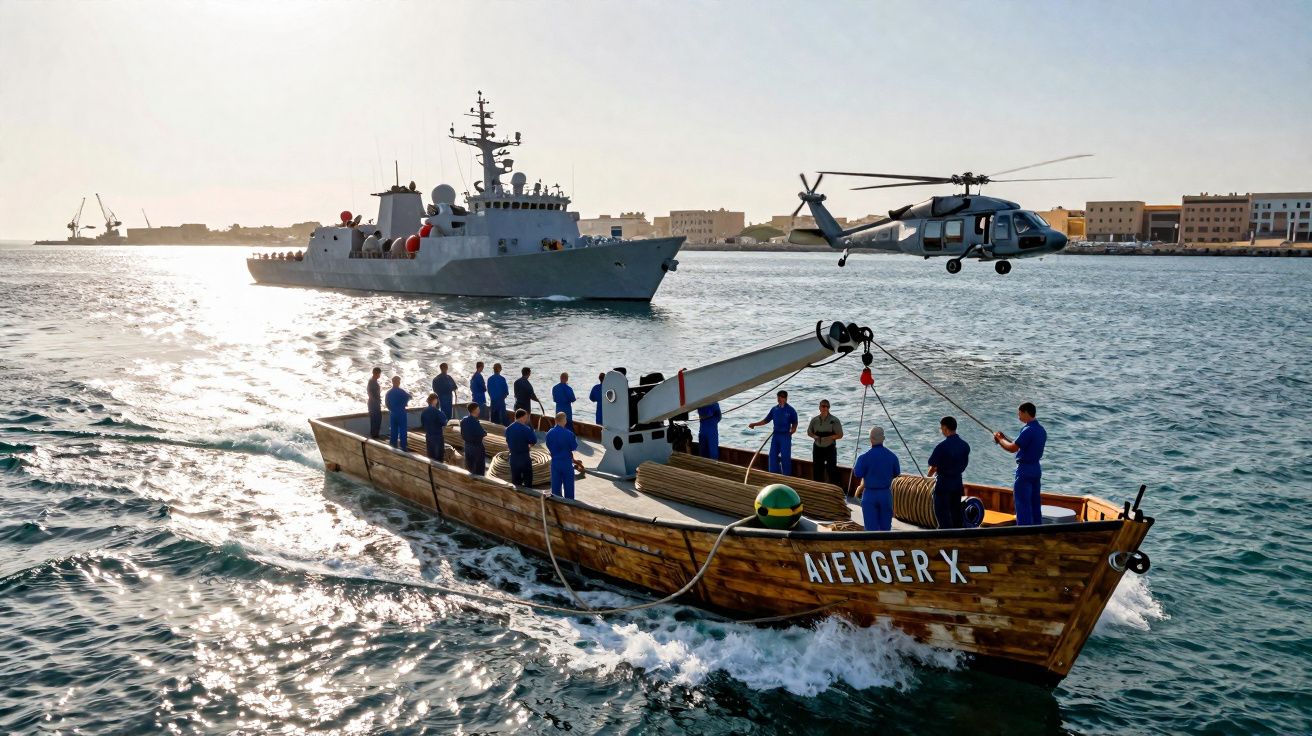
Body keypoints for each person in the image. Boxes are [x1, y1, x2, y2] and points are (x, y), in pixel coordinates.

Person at [994, 402, 1047, 526]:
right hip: (1036, 469)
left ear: (1026, 412)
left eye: (1019, 413)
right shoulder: (1041, 430)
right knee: (1034, 504)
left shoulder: (1028, 430)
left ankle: (1024, 532)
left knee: (1022, 505)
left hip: (1024, 470)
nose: (1018, 416)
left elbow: (1013, 448)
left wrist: (1000, 440)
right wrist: (1003, 438)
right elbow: (1019, 446)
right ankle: (1037, 531)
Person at [853, 427, 900, 531]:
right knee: (885, 529)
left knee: (870, 529)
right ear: (883, 439)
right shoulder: (892, 456)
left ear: (870, 439)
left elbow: (857, 473)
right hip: (885, 494)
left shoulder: (863, 457)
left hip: (869, 495)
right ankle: (885, 546)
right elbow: (897, 473)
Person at [927, 416, 970, 529]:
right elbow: (964, 464)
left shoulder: (941, 447)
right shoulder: (965, 446)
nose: (941, 431)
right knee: (956, 513)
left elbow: (933, 466)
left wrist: (928, 478)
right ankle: (957, 540)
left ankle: (946, 542)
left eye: (941, 428)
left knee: (942, 515)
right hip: (957, 483)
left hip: (943, 484)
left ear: (945, 428)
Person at [747, 390, 798, 474]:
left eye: (782, 397)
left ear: (786, 398)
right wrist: (754, 424)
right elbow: (766, 420)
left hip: (785, 436)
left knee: (785, 457)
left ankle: (786, 476)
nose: (780, 399)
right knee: (772, 456)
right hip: (776, 435)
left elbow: (795, 422)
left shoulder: (791, 410)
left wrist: (793, 430)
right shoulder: (774, 409)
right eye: (778, 397)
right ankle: (773, 474)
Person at [806, 399, 844, 485]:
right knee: (817, 470)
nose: (825, 408)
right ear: (819, 407)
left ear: (829, 408)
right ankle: (819, 489)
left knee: (831, 469)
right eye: (823, 406)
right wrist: (815, 436)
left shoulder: (834, 420)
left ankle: (835, 489)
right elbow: (809, 432)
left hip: (830, 447)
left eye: (827, 406)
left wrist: (829, 438)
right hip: (817, 448)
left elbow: (840, 435)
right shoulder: (814, 420)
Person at [545, 412, 580, 498]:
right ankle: (569, 504)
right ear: (564, 421)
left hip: (555, 463)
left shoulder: (549, 433)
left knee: (555, 488)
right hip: (566, 463)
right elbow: (574, 447)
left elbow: (548, 445)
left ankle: (556, 504)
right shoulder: (569, 434)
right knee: (569, 487)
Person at [504, 409, 539, 487]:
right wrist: (529, 445)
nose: (526, 420)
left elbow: (507, 441)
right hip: (524, 458)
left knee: (515, 482)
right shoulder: (526, 429)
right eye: (526, 418)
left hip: (513, 458)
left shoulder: (508, 429)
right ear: (522, 417)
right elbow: (534, 440)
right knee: (528, 480)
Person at [460, 402, 488, 476]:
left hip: (467, 446)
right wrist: (484, 433)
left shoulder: (464, 420)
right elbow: (483, 433)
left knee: (469, 466)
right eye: (478, 408)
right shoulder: (475, 423)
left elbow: (462, 433)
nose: (479, 410)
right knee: (479, 468)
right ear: (475, 410)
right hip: (476, 448)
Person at [385, 376, 412, 450]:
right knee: (403, 429)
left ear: (392, 382)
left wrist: (391, 409)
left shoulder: (389, 393)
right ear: (399, 382)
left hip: (393, 413)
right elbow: (409, 397)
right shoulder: (402, 392)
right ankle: (403, 446)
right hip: (401, 412)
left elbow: (387, 403)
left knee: (393, 429)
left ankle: (393, 445)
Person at [419, 393, 448, 461]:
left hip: (428, 435)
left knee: (430, 455)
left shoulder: (424, 411)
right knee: (438, 457)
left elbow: (422, 424)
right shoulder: (437, 412)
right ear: (435, 400)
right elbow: (444, 422)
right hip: (437, 436)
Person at [366, 367, 383, 439]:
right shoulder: (372, 381)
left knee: (376, 419)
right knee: (375, 419)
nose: (379, 375)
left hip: (374, 403)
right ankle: (374, 435)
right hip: (373, 404)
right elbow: (370, 393)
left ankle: (375, 434)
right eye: (379, 374)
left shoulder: (373, 381)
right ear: (376, 373)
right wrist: (376, 401)